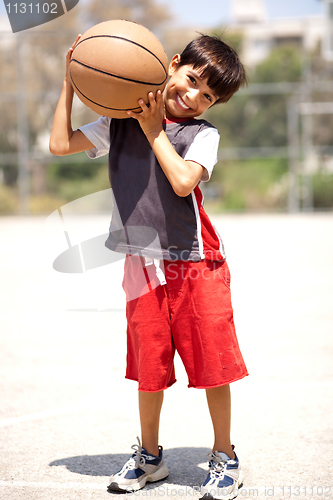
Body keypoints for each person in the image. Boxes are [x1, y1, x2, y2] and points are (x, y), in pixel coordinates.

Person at [50, 32, 248, 500]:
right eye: (193, 80)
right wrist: (70, 82)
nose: (195, 97)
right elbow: (59, 144)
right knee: (149, 367)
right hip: (141, 264)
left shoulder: (204, 135)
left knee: (212, 367)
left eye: (209, 96)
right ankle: (151, 456)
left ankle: (225, 457)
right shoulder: (118, 122)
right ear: (173, 64)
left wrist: (154, 129)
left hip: (194, 262)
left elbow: (182, 183)